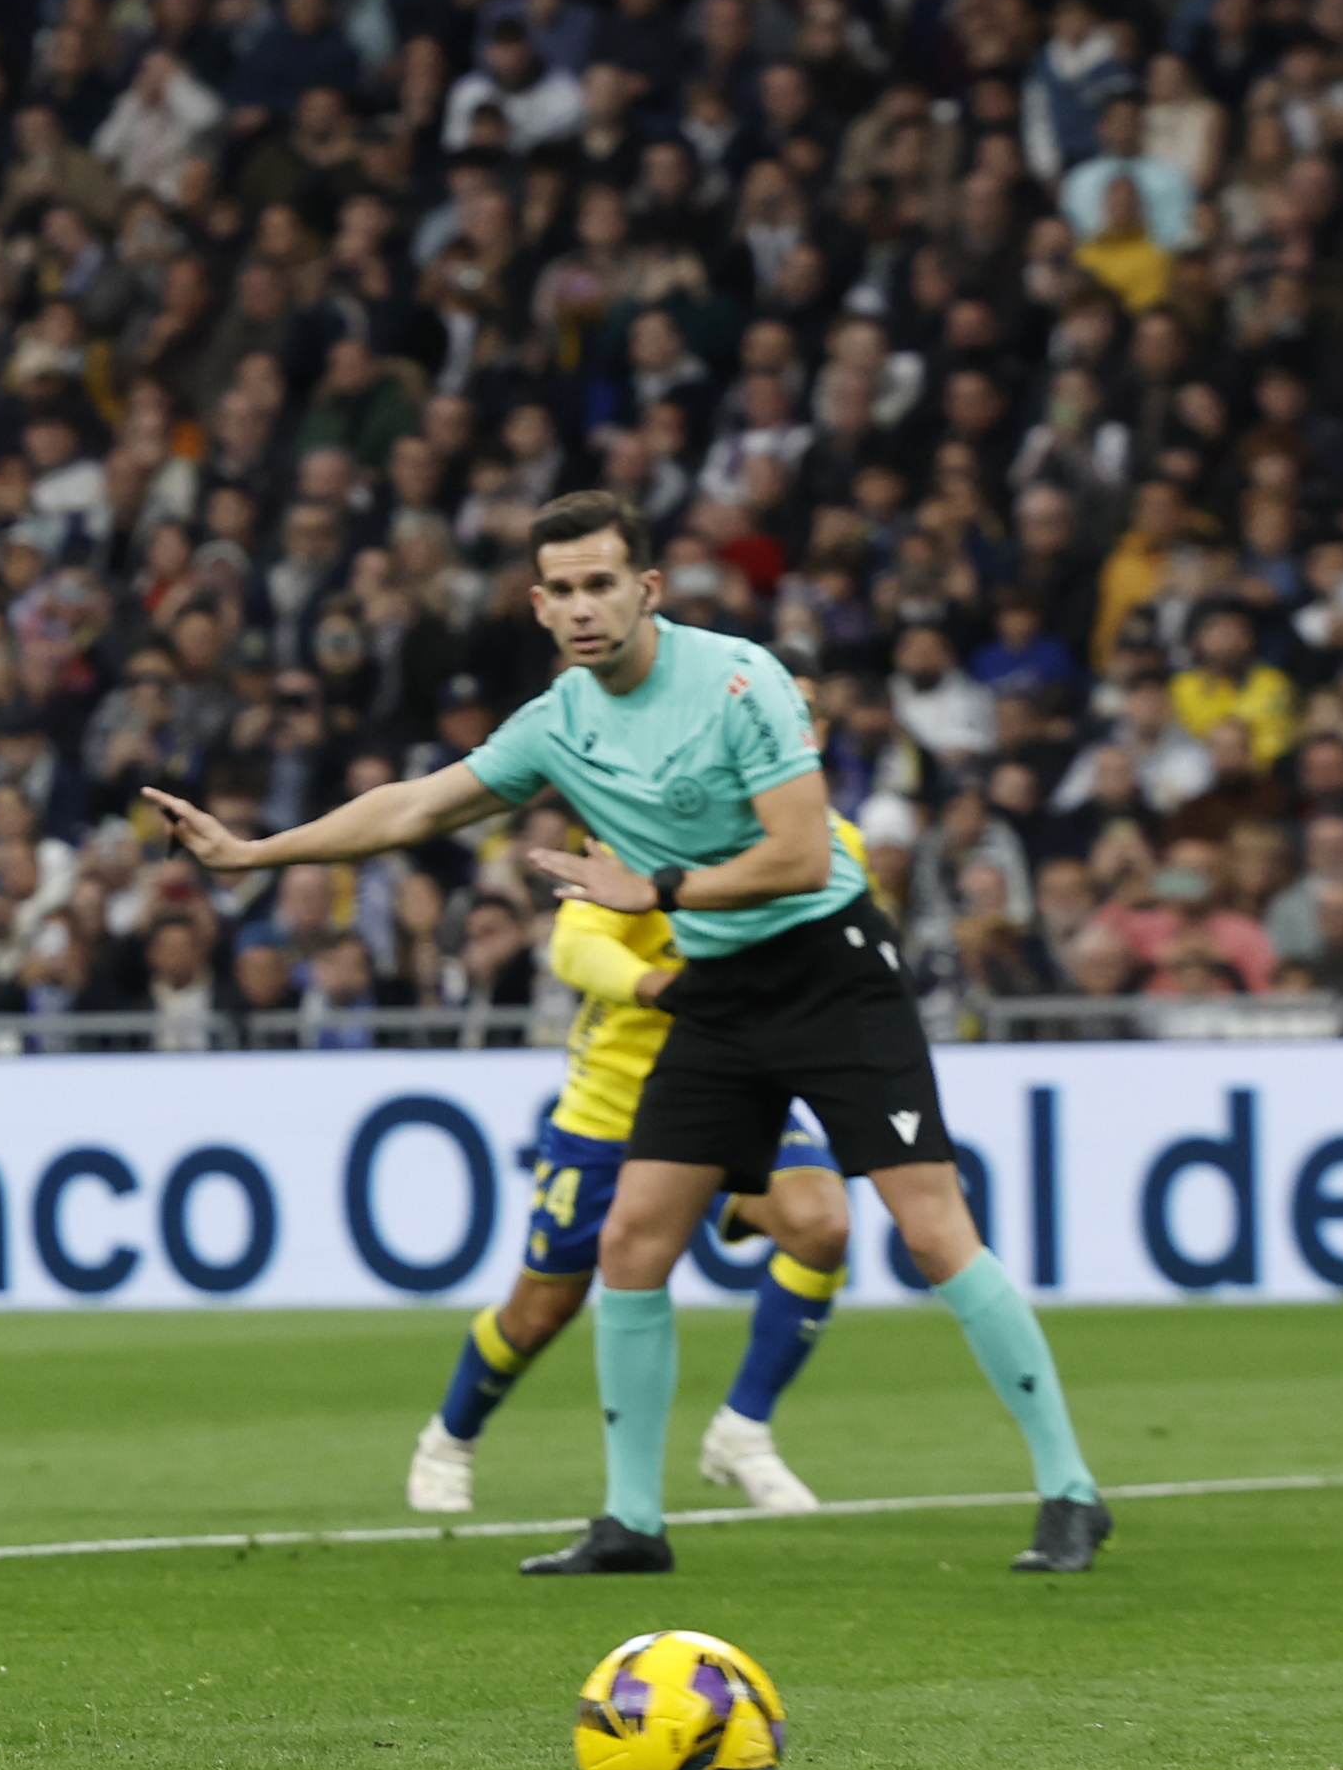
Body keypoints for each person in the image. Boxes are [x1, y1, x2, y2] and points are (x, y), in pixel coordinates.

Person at [152, 492, 1107, 1576]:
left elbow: (799, 855)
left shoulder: (740, 680)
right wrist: (251, 853)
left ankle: (1070, 1490)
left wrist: (651, 881)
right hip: (717, 985)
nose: (581, 606)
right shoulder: (558, 720)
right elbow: (414, 807)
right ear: (536, 604)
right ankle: (631, 1522)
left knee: (932, 1231)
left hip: (829, 966)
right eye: (560, 590)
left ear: (646, 588)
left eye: (601, 583)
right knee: (631, 1243)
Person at [407, 827, 861, 1516]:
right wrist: (662, 987)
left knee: (820, 1224)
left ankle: (743, 1429)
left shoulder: (823, 839)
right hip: (614, 1110)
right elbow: (574, 945)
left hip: (734, 1093)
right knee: (542, 1308)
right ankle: (449, 1439)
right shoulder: (640, 830)